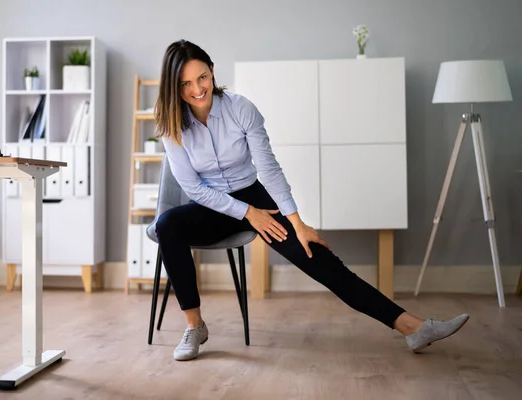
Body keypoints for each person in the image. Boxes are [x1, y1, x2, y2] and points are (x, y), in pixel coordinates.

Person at [153, 39, 470, 362]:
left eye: (202, 77)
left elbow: (269, 168)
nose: (197, 89)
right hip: (212, 205)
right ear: (174, 87)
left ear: (212, 72)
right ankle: (195, 326)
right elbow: (193, 189)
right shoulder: (172, 125)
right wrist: (248, 214)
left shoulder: (240, 109)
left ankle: (412, 327)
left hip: (254, 193)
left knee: (316, 256)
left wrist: (296, 222)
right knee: (168, 225)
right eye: (186, 83)